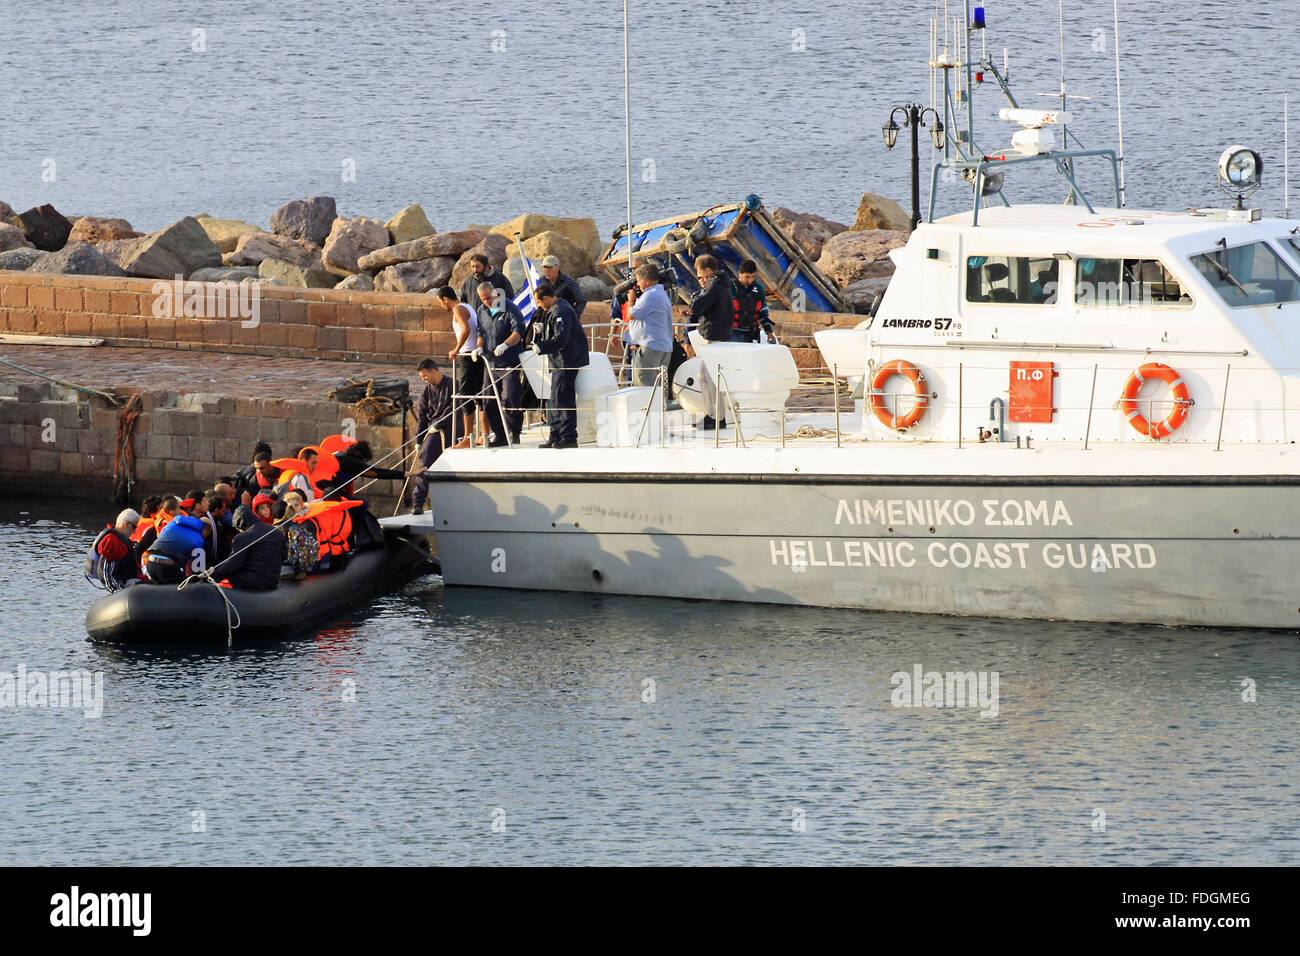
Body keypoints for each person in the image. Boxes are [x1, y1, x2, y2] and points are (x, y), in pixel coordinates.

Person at [530, 283, 591, 448]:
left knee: (564, 398)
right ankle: (555, 435)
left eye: (539, 302)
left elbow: (561, 337)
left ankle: (568, 436)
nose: (539, 306)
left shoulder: (561, 310)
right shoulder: (554, 310)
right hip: (559, 362)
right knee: (556, 399)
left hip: (567, 361)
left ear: (547, 298)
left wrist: (542, 346)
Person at [685, 254, 734, 430]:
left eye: (699, 275)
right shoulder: (721, 284)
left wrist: (693, 304)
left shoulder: (715, 285)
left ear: (707, 271)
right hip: (717, 335)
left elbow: (698, 306)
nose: (700, 279)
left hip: (715, 336)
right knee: (706, 377)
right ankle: (713, 415)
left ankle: (716, 417)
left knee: (709, 377)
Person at [475, 280, 526, 446]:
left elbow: (518, 330)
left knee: (510, 397)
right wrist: (479, 348)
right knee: (488, 400)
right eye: (483, 299)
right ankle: (500, 434)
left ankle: (515, 432)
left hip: (508, 361)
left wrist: (506, 344)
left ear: (495, 294)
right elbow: (481, 332)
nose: (487, 302)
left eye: (489, 298)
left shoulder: (510, 308)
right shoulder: (482, 311)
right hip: (490, 363)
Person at [435, 286, 486, 447]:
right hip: (477, 355)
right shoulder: (467, 305)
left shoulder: (457, 309)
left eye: (440, 303)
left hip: (467, 357)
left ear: (445, 299)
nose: (441, 307)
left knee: (465, 397)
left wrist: (456, 349)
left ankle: (467, 437)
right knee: (480, 395)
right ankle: (484, 434)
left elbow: (466, 329)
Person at [409, 358, 454, 514]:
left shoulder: (452, 384)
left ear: (433, 371)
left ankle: (449, 503)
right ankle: (418, 503)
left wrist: (438, 424)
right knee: (425, 460)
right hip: (434, 433)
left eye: (425, 375)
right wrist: (418, 440)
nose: (423, 379)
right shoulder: (426, 391)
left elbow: (454, 409)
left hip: (451, 430)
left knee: (446, 466)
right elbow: (422, 417)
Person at [212, 505, 287, 590]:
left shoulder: (243, 537)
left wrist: (212, 574)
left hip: (251, 583)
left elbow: (233, 564)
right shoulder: (276, 532)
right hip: (272, 581)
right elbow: (284, 556)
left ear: (240, 525)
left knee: (223, 579)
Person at [624, 262, 674, 387]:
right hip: (661, 345)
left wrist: (631, 300)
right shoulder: (660, 293)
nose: (638, 284)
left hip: (651, 347)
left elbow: (631, 315)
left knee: (644, 383)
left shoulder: (650, 295)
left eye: (638, 280)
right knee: (658, 385)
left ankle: (648, 406)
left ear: (646, 280)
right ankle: (658, 405)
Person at [145, 497, 208, 583]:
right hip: (167, 566)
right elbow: (197, 568)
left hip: (150, 563)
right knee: (182, 587)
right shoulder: (199, 540)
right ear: (205, 531)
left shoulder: (172, 523)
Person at [85, 508, 141, 590]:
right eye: (134, 527)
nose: (134, 531)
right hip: (125, 583)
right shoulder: (112, 542)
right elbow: (106, 574)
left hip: (130, 579)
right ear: (127, 525)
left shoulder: (119, 538)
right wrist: (117, 591)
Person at [731, 258, 775, 343]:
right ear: (739, 273)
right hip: (731, 334)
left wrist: (769, 332)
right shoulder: (729, 288)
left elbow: (763, 313)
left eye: (753, 277)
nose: (750, 280)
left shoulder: (759, 289)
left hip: (750, 334)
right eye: (747, 277)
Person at [277, 492, 319, 578]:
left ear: (302, 506)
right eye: (290, 506)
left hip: (305, 565)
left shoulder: (307, 523)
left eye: (296, 505)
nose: (294, 509)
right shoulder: (284, 524)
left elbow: (310, 547)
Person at [539, 255, 588, 320]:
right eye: (545, 267)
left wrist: (573, 316)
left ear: (558, 268)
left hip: (565, 320)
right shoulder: (541, 281)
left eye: (550, 268)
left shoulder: (569, 282)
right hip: (546, 320)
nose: (547, 271)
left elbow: (582, 301)